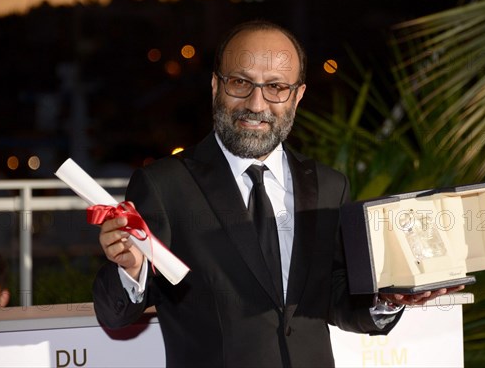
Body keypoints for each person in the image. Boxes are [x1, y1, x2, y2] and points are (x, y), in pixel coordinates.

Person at [92, 19, 464, 367]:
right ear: (215, 85)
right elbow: (114, 314)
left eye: (276, 87)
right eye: (241, 83)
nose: (257, 104)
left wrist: (386, 298)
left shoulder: (330, 186)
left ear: (297, 95)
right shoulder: (163, 185)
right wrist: (131, 269)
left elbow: (335, 298)